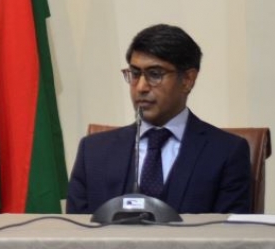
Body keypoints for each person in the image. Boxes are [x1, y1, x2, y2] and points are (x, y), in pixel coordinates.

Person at [66, 24, 251, 214]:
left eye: (155, 74)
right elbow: (76, 234)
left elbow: (231, 237)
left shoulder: (226, 152)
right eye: (135, 74)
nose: (141, 87)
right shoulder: (94, 152)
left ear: (188, 80)